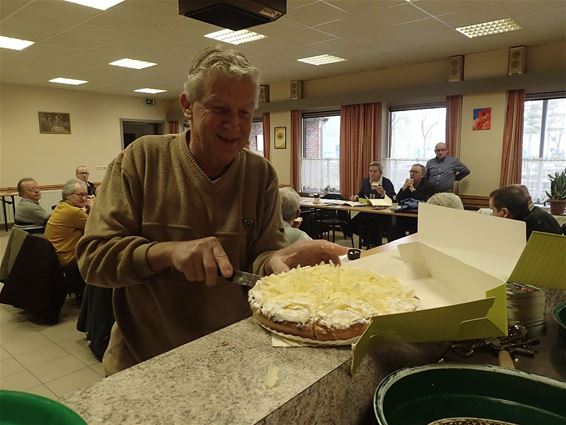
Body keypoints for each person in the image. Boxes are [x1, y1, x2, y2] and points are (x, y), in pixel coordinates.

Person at [76, 46, 347, 375]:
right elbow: (93, 260)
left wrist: (278, 261)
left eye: (245, 112)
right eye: (220, 109)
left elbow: (261, 257)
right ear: (187, 106)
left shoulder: (260, 175)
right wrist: (168, 253)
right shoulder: (141, 160)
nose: (234, 125)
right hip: (143, 358)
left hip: (230, 351)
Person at [44, 179, 93, 301]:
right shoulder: (73, 212)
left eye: (86, 194)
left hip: (55, 255)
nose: (84, 198)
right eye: (80, 195)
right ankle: (91, 297)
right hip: (67, 258)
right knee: (101, 255)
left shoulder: (62, 206)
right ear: (67, 196)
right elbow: (96, 225)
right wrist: (92, 206)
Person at [349, 162, 395, 247]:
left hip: (382, 213)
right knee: (352, 224)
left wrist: (383, 193)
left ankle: (372, 242)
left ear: (380, 173)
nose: (372, 174)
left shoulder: (387, 182)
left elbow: (393, 200)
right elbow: (361, 194)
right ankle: (368, 239)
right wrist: (355, 197)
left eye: (375, 171)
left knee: (374, 223)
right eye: (370, 171)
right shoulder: (365, 181)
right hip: (368, 210)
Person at [489, 186, 561, 239]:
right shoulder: (540, 216)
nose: (491, 215)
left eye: (493, 211)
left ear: (504, 212)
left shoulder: (520, 233)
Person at [391, 164, 430, 240]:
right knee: (393, 228)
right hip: (406, 213)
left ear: (422, 175)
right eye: (411, 171)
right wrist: (404, 188)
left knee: (414, 230)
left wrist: (412, 189)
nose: (412, 174)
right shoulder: (408, 184)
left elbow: (424, 201)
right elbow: (397, 200)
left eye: (415, 172)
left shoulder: (428, 185)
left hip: (419, 217)